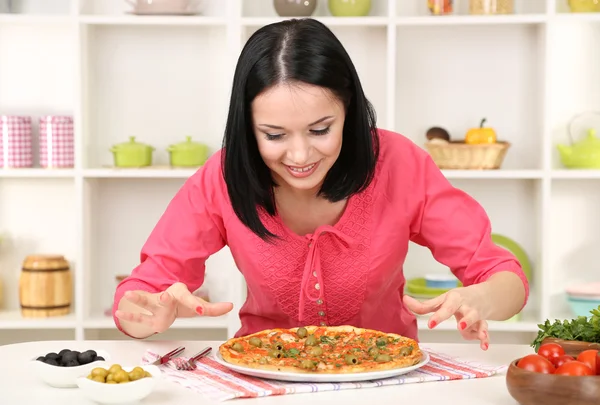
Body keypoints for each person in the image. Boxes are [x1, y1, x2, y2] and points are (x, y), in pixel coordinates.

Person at [113, 18, 528, 351]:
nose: (299, 155)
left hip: (387, 381)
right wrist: (147, 315)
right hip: (265, 376)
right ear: (247, 127)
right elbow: (142, 290)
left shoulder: (399, 163)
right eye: (274, 135)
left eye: (320, 129)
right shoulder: (223, 176)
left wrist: (481, 299)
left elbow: (505, 276)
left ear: (347, 110)